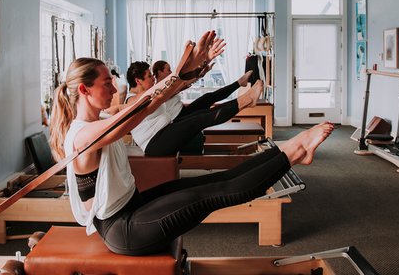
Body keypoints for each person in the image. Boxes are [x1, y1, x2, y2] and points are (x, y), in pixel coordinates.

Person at [49, 30, 334, 256]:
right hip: (123, 230)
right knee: (215, 193)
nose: (114, 88)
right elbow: (145, 106)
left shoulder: (103, 117)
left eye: (112, 81)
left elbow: (150, 102)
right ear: (84, 90)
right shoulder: (81, 135)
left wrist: (191, 71)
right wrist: (181, 72)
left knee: (214, 181)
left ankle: (287, 150)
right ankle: (297, 151)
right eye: (106, 83)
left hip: (133, 206)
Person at [126, 59, 261, 156]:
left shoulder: (145, 94)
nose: (153, 79)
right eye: (149, 76)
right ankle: (246, 100)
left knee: (203, 112)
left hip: (164, 131)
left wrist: (197, 72)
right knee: (199, 120)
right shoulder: (132, 100)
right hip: (154, 144)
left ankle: (246, 99)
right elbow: (176, 86)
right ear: (138, 81)